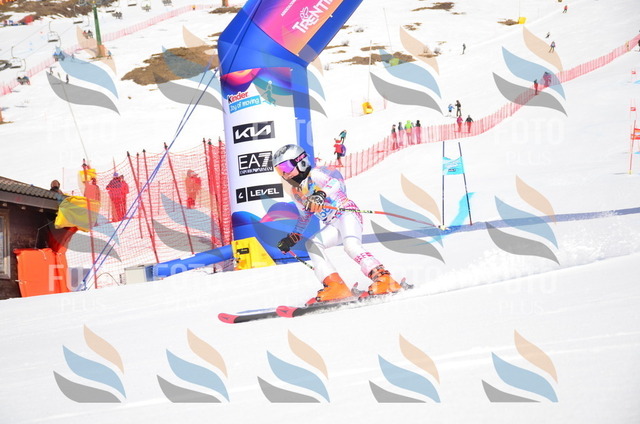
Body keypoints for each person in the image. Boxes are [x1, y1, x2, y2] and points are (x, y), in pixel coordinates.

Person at [273, 144, 404, 303]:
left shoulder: (315, 175)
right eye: (279, 170)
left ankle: (384, 278)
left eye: (286, 167)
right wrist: (292, 237)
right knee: (313, 245)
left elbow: (334, 183)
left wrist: (320, 194)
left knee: (351, 245)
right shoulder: (296, 193)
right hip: (332, 223)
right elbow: (304, 216)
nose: (284, 173)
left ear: (300, 161)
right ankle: (335, 286)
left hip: (346, 212)